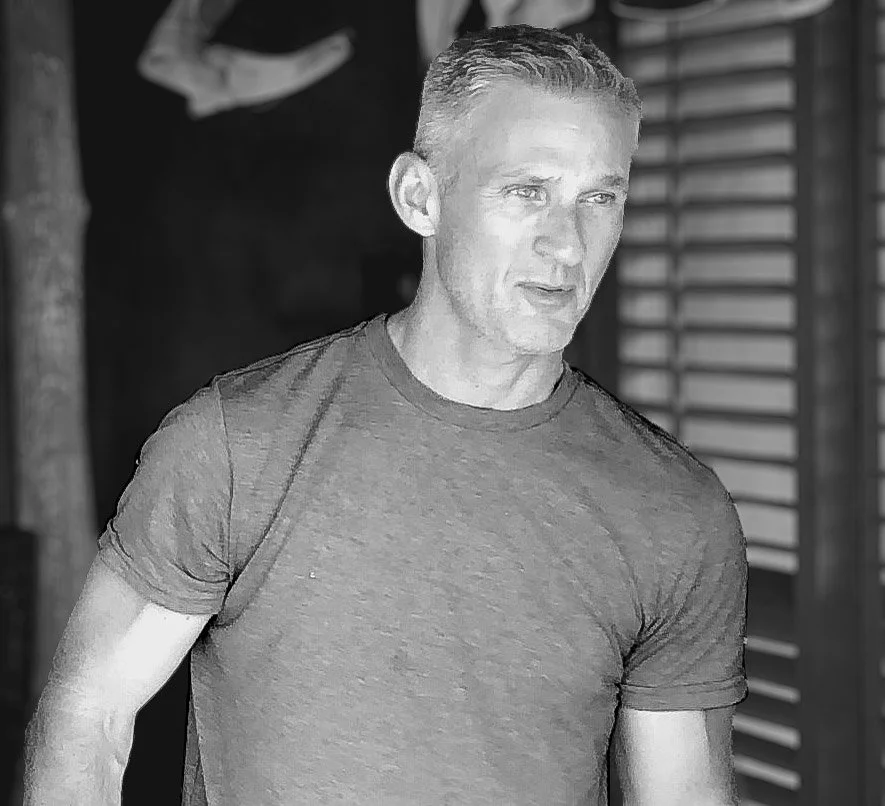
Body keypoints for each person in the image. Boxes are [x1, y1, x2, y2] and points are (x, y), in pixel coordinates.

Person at [23, 24, 747, 806]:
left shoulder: (673, 512)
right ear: (420, 197)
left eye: (598, 199)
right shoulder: (237, 446)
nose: (566, 244)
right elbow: (87, 715)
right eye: (526, 191)